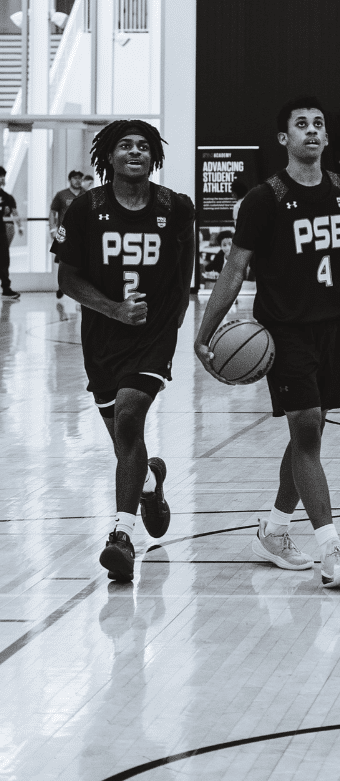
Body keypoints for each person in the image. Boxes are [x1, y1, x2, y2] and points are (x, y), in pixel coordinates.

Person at [195, 97, 340, 589]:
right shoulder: (265, 198)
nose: (312, 131)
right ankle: (332, 549)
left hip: (330, 325)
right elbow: (235, 268)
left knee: (309, 434)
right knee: (306, 428)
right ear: (285, 138)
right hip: (283, 330)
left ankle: (274, 531)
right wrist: (205, 330)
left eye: (318, 124)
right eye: (301, 125)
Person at [52, 122, 195, 583]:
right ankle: (149, 481)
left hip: (153, 335)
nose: (135, 151)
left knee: (131, 417)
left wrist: (175, 316)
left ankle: (121, 536)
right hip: (103, 336)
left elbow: (185, 264)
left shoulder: (174, 206)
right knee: (123, 439)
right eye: (125, 145)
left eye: (144, 146)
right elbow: (67, 278)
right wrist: (113, 309)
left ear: (154, 157)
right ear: (108, 157)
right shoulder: (85, 208)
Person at [51, 169, 85, 306]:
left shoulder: (86, 194)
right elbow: (53, 211)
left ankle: (79, 289)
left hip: (81, 233)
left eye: (80, 178)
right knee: (61, 260)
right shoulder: (61, 195)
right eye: (75, 178)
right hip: (63, 233)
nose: (78, 181)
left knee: (81, 261)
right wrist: (52, 228)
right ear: (70, 180)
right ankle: (62, 286)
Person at [0, 165, 21, 300]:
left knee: (3, 260)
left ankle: (6, 289)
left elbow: (14, 213)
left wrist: (20, 227)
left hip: (1, 231)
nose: (2, 179)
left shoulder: (7, 197)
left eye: (3, 176)